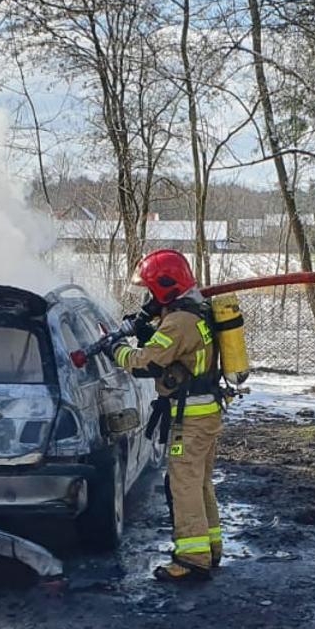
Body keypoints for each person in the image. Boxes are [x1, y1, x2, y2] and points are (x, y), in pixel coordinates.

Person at [94, 249, 227, 583]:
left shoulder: (180, 320)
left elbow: (147, 363)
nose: (149, 297)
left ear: (167, 286)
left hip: (191, 418)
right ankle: (210, 548)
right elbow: (170, 351)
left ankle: (192, 560)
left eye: (153, 290)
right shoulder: (194, 311)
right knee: (198, 482)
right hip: (206, 412)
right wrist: (145, 331)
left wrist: (115, 350)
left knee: (182, 484)